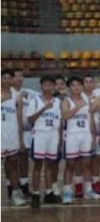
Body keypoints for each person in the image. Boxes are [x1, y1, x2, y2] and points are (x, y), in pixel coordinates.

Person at [61, 77, 99, 203]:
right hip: (72, 135)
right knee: (70, 164)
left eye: (78, 85)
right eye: (73, 85)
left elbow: (91, 119)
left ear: (82, 87)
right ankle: (67, 191)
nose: (76, 87)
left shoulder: (88, 100)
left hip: (86, 135)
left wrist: (93, 137)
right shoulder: (66, 101)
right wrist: (78, 106)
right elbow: (66, 116)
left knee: (87, 163)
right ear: (69, 88)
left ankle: (88, 190)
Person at [27, 76, 62, 205]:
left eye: (50, 84)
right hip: (40, 135)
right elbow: (30, 119)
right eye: (45, 84)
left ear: (54, 87)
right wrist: (43, 109)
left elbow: (61, 122)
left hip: (53, 135)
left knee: (50, 165)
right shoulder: (35, 101)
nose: (48, 87)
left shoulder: (58, 102)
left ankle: (49, 192)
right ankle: (36, 194)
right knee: (37, 165)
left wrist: (60, 140)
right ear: (41, 86)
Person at [12, 70, 39, 197]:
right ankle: (12, 186)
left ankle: (24, 185)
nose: (19, 78)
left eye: (21, 75)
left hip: (26, 131)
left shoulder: (30, 93)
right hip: (11, 131)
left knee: (24, 158)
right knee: (12, 159)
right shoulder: (6, 93)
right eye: (15, 76)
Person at [2, 69, 26, 206]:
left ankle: (15, 192)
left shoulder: (17, 96)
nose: (6, 80)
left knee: (12, 164)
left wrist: (21, 139)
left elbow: (19, 118)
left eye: (9, 78)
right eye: (3, 77)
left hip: (11, 134)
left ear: (12, 80)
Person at [83, 75, 100, 194]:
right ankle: (83, 185)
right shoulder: (79, 97)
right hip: (82, 132)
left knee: (96, 159)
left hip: (96, 132)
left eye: (91, 81)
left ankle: (96, 182)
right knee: (84, 161)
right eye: (86, 81)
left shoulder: (97, 96)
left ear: (94, 84)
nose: (88, 84)